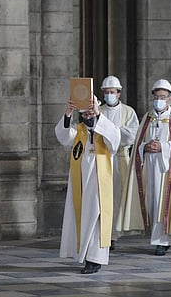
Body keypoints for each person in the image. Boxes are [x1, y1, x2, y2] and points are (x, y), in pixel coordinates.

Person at [118, 79, 171, 256]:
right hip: (148, 167)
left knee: (163, 201)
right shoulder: (147, 118)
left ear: (170, 98)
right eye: (156, 96)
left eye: (163, 97)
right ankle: (157, 237)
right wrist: (145, 147)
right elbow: (137, 143)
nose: (159, 100)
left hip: (167, 169)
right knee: (151, 201)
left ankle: (162, 241)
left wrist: (164, 148)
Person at [55, 96, 120, 274]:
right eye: (86, 112)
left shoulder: (106, 129)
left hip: (100, 183)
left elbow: (115, 140)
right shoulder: (79, 131)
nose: (89, 115)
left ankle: (95, 259)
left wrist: (99, 116)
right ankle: (85, 256)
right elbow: (63, 136)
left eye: (92, 111)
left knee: (98, 218)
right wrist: (68, 113)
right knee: (83, 218)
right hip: (82, 183)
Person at [99, 75, 139, 250]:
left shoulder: (128, 112)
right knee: (101, 198)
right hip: (101, 158)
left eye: (112, 92)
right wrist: (113, 133)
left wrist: (112, 133)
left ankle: (113, 234)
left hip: (120, 159)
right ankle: (103, 233)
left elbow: (132, 134)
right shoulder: (98, 110)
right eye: (106, 92)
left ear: (119, 93)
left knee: (116, 198)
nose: (109, 95)